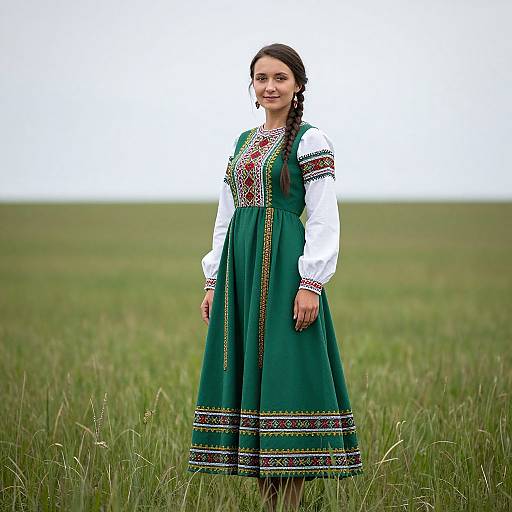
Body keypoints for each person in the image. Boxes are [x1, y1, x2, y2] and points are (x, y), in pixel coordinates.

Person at [187, 43, 363, 511]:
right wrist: (213, 278)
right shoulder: (243, 143)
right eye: (261, 78)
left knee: (283, 379)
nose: (270, 86)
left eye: (280, 78)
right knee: (252, 381)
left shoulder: (310, 139)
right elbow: (226, 216)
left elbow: (324, 217)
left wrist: (311, 282)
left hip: (286, 268)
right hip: (240, 274)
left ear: (298, 85)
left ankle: (290, 505)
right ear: (253, 86)